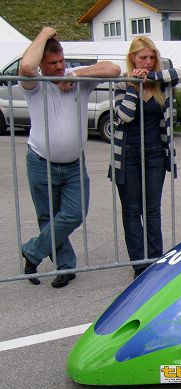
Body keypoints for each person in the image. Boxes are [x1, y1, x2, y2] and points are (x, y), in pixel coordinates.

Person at [19, 27, 120, 288]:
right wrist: (42, 34)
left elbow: (114, 70)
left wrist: (75, 74)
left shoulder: (77, 80)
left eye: (62, 61)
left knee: (75, 213)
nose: (58, 67)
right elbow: (27, 66)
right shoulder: (35, 86)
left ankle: (32, 251)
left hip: (75, 165)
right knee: (48, 217)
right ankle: (65, 267)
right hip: (41, 162)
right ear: (43, 64)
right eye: (52, 63)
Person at [111, 36, 181, 278]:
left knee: (153, 209)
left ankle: (155, 260)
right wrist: (135, 87)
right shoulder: (121, 83)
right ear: (132, 58)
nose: (147, 62)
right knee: (131, 210)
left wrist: (151, 77)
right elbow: (124, 115)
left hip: (156, 153)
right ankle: (139, 264)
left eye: (151, 57)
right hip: (127, 155)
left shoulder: (162, 83)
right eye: (142, 57)